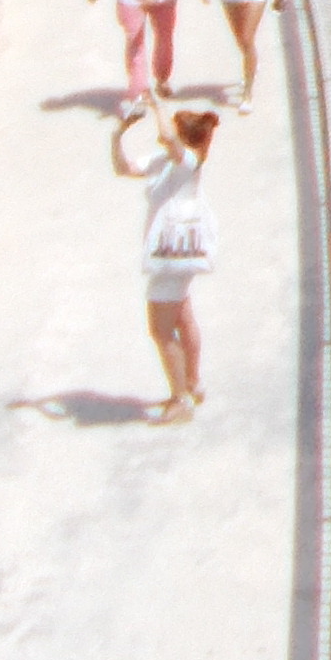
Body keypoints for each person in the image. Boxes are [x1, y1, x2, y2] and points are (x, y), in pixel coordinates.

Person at [121, 103, 220, 423]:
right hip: (180, 255)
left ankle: (180, 400)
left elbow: (165, 136)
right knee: (183, 318)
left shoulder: (187, 160)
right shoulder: (168, 162)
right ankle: (192, 382)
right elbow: (125, 168)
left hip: (170, 257)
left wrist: (156, 105)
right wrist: (117, 137)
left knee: (161, 329)